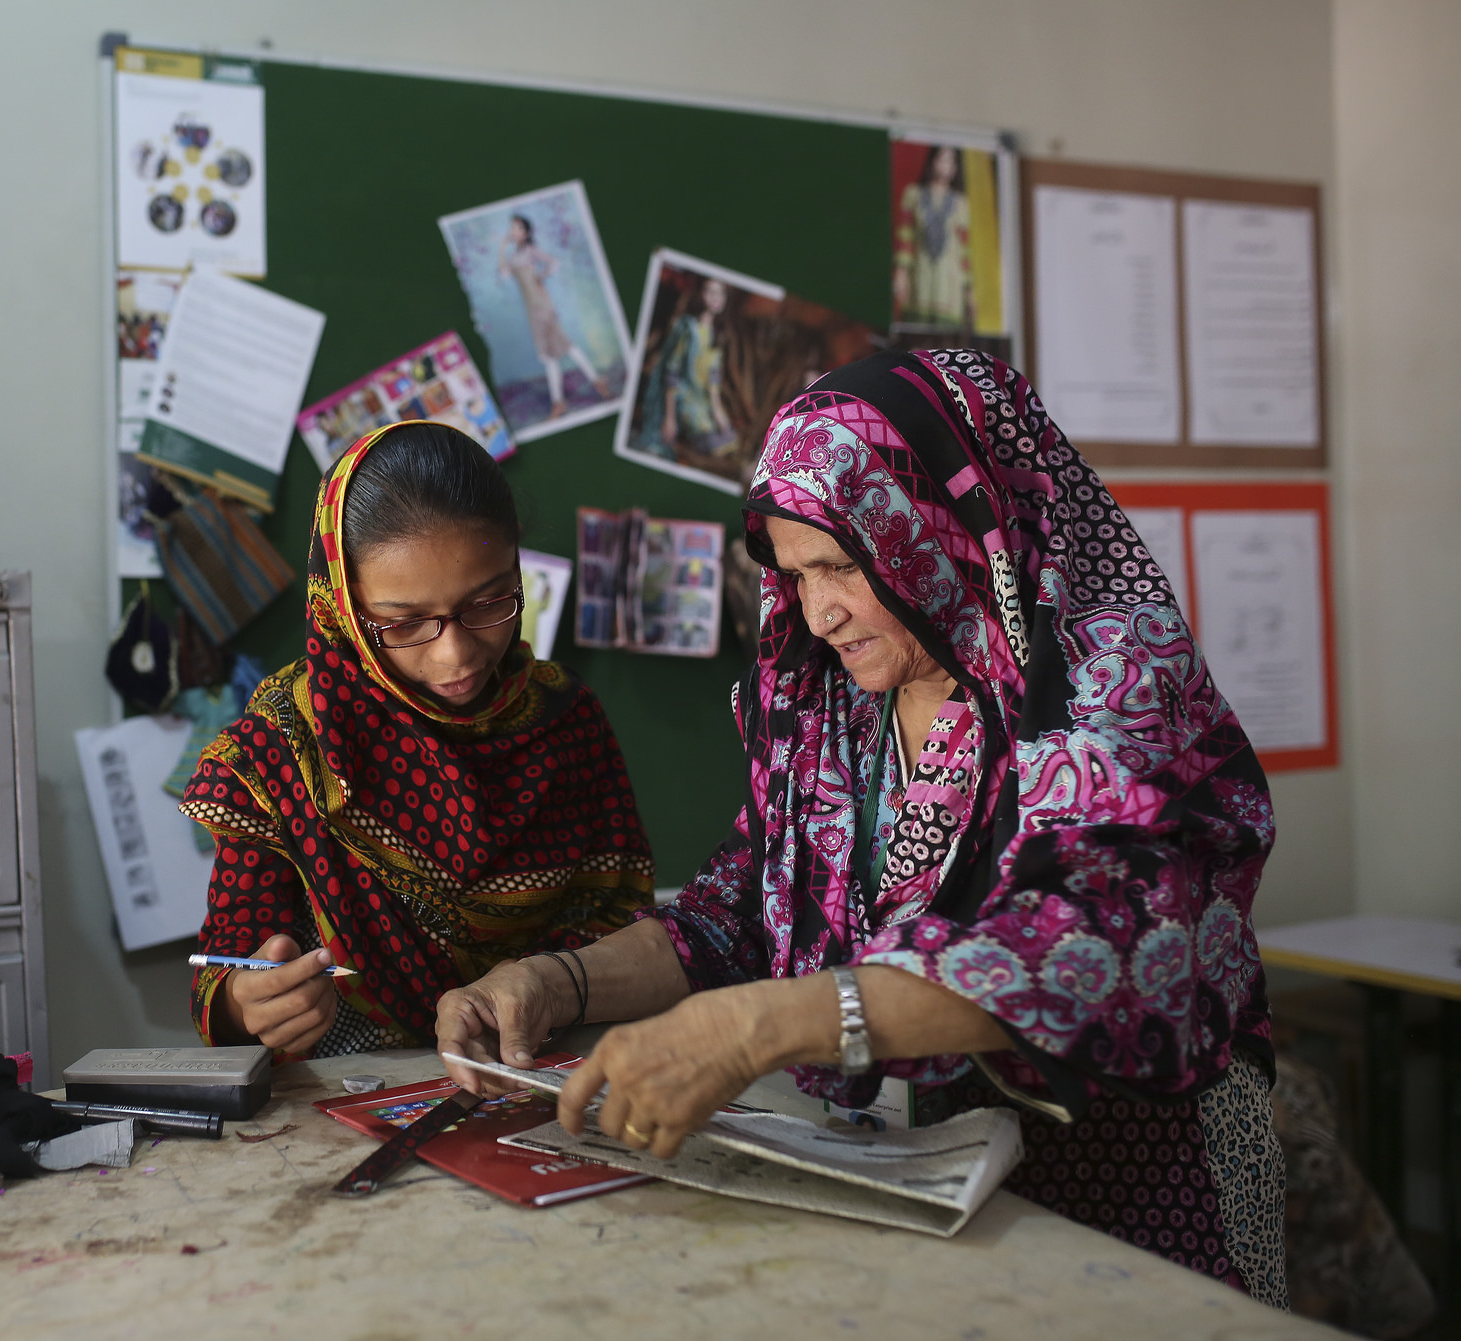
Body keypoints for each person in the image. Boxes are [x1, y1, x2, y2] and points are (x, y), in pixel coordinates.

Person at [438, 350, 1287, 1304]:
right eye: (795, 574)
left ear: (937, 529)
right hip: (925, 1184)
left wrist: (766, 1024)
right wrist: (555, 983)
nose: (820, 609)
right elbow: (746, 911)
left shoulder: (1108, 680)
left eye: (842, 563)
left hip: (1136, 1196)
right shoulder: (833, 703)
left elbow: (1095, 936)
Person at [181, 420, 654, 1057]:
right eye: (404, 625)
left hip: (544, 1075)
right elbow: (224, 972)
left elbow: (626, 928)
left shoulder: (565, 722)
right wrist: (249, 1004)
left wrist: (554, 990)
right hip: (349, 1097)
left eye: (489, 603)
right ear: (342, 609)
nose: (456, 654)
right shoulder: (278, 757)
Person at [498, 214, 611, 420]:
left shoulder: (530, 251)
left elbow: (554, 262)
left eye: (517, 228)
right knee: (552, 353)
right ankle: (567, 398)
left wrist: (541, 277)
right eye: (511, 228)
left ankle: (576, 393)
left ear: (526, 233)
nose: (512, 231)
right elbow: (504, 275)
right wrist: (502, 247)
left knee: (560, 349)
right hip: (533, 311)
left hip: (543, 307)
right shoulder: (514, 257)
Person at [634, 275, 738, 463]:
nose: (716, 298)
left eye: (721, 293)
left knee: (729, 438)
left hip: (704, 399)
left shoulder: (718, 334)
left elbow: (713, 378)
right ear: (700, 294)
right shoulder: (688, 328)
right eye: (710, 292)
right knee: (713, 446)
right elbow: (672, 372)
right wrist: (670, 417)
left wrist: (717, 411)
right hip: (683, 397)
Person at [893, 144, 972, 329]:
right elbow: (905, 237)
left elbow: (965, 249)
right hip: (920, 281)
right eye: (943, 159)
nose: (946, 166)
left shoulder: (961, 203)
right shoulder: (913, 194)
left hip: (950, 288)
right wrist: (901, 273)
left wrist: (969, 291)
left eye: (951, 161)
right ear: (932, 161)